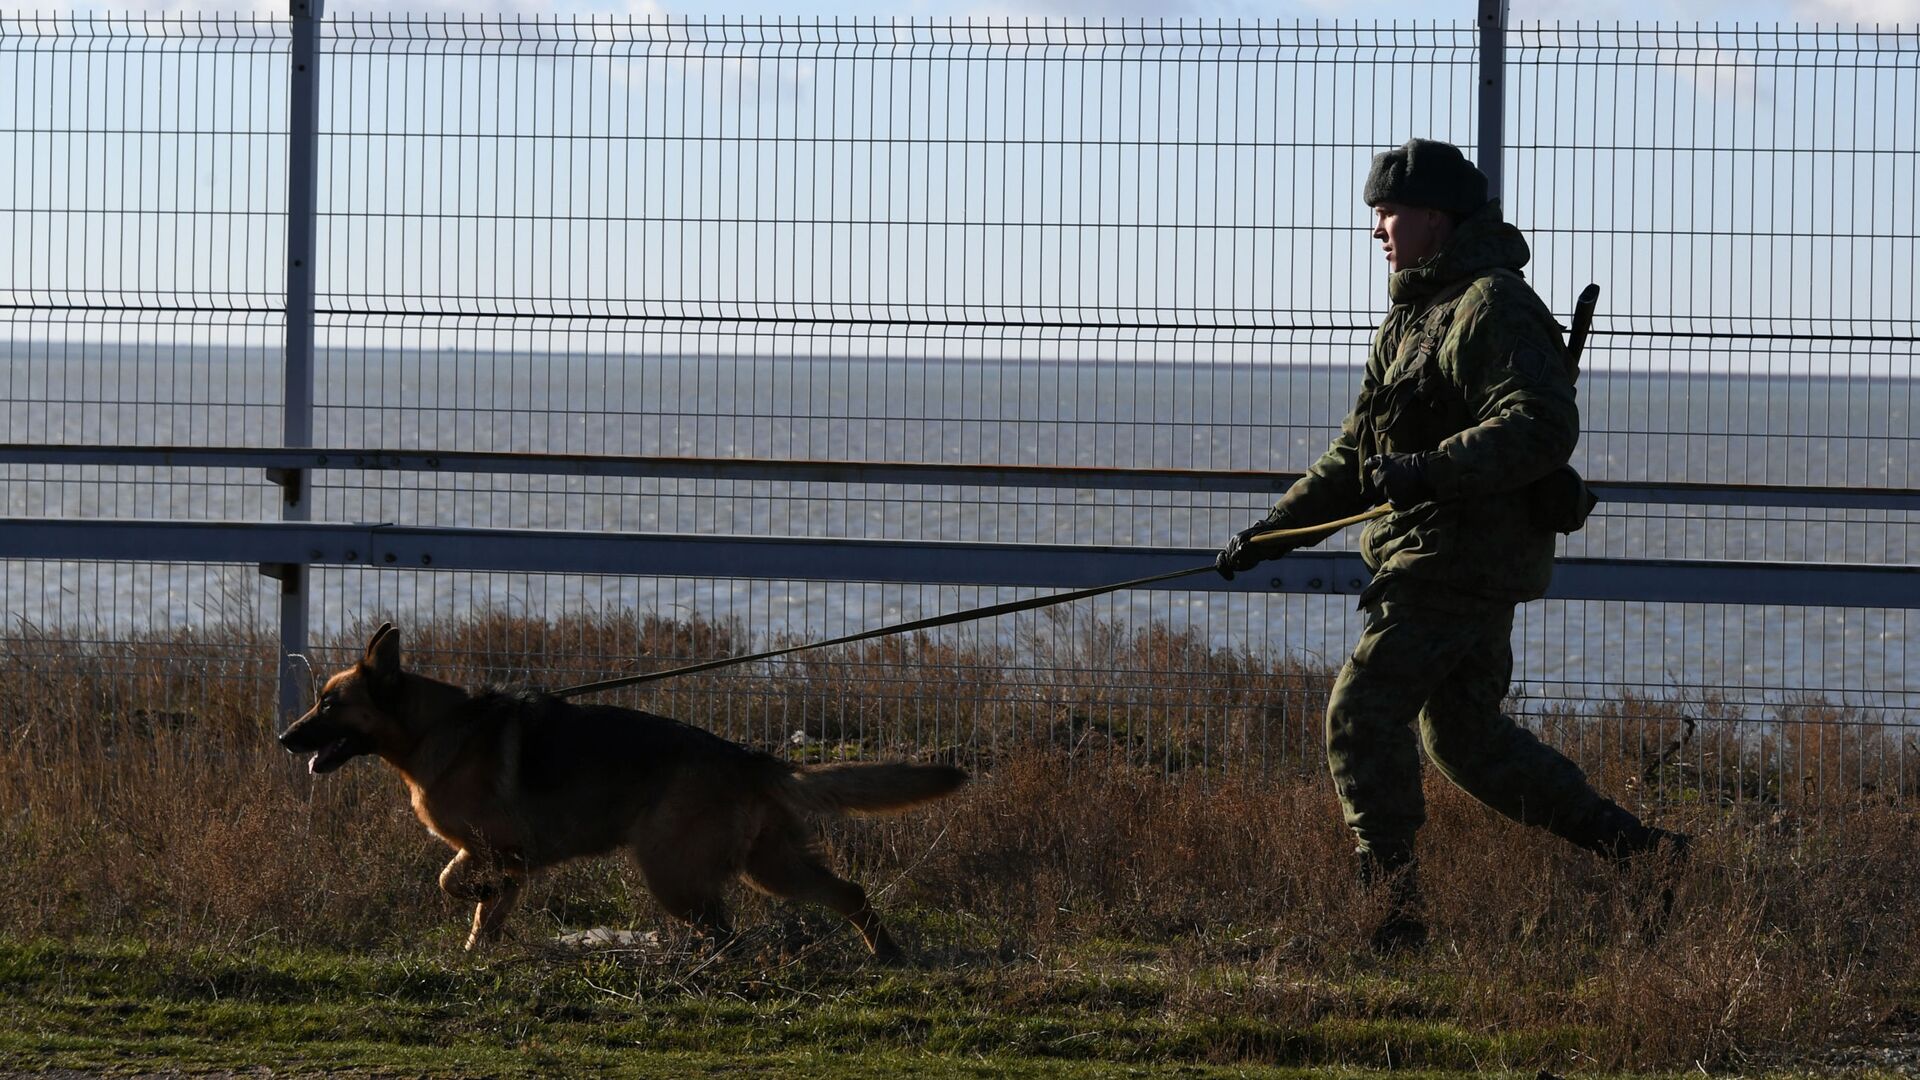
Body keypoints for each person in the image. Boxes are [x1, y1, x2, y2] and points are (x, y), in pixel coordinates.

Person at [1216, 138, 1687, 953]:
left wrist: (1426, 470)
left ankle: (1392, 913)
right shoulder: (1411, 317)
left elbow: (1539, 426)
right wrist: (1272, 534)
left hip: (1459, 557)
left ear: (1435, 217)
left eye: (1387, 213)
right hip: (1441, 554)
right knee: (1462, 738)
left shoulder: (1491, 305)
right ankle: (1640, 855)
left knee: (1363, 710)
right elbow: (1354, 462)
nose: (1377, 232)